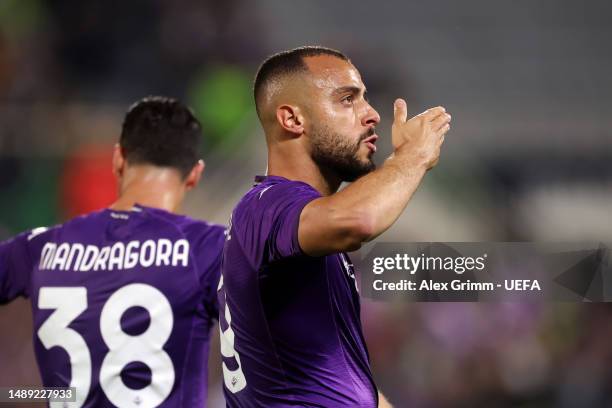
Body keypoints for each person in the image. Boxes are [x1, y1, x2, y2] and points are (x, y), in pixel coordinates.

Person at [218, 46, 451, 407]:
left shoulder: (307, 239)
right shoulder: (263, 207)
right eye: (347, 99)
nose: (371, 114)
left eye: (365, 99)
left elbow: (344, 382)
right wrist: (412, 158)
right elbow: (359, 220)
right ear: (292, 119)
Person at [0, 96, 225, 407]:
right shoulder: (209, 248)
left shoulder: (40, 248)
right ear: (195, 174)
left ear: (118, 160)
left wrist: (19, 395)